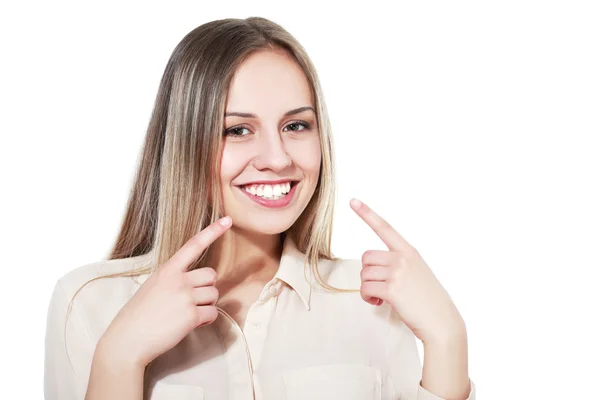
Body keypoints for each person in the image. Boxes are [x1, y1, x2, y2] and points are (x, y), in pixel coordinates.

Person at [44, 16, 476, 400]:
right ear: (182, 144)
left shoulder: (371, 300)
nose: (278, 157)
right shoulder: (90, 304)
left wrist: (447, 338)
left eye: (295, 125)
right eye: (237, 129)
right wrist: (119, 360)